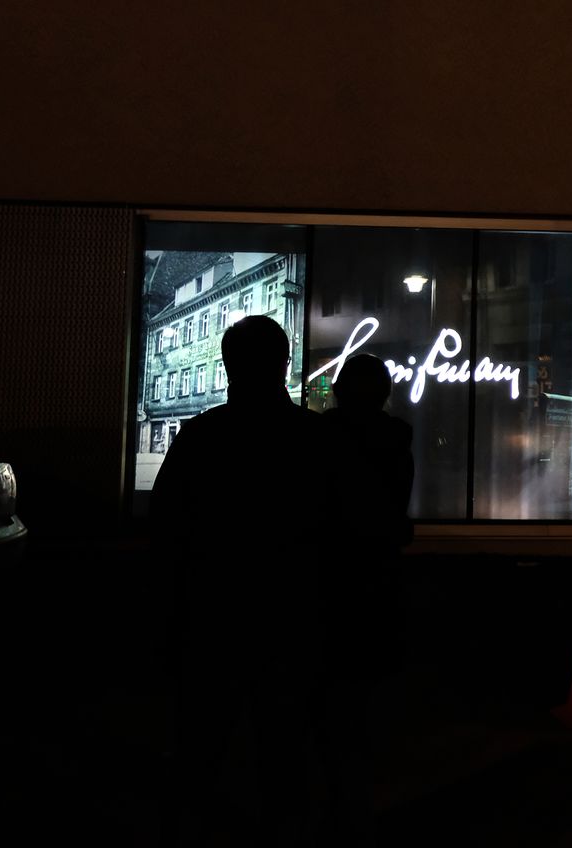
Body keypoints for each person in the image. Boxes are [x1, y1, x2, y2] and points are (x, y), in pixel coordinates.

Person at [153, 315, 337, 845]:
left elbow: (166, 528)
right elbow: (340, 530)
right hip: (292, 617)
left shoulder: (202, 436)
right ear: (283, 364)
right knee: (284, 748)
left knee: (202, 745)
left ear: (229, 365)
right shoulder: (314, 439)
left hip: (212, 616)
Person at [316, 354, 416, 844]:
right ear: (383, 395)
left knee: (327, 690)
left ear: (339, 393)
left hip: (324, 581)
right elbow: (393, 512)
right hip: (376, 578)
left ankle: (328, 790)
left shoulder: (319, 441)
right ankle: (360, 792)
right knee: (365, 689)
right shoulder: (397, 443)